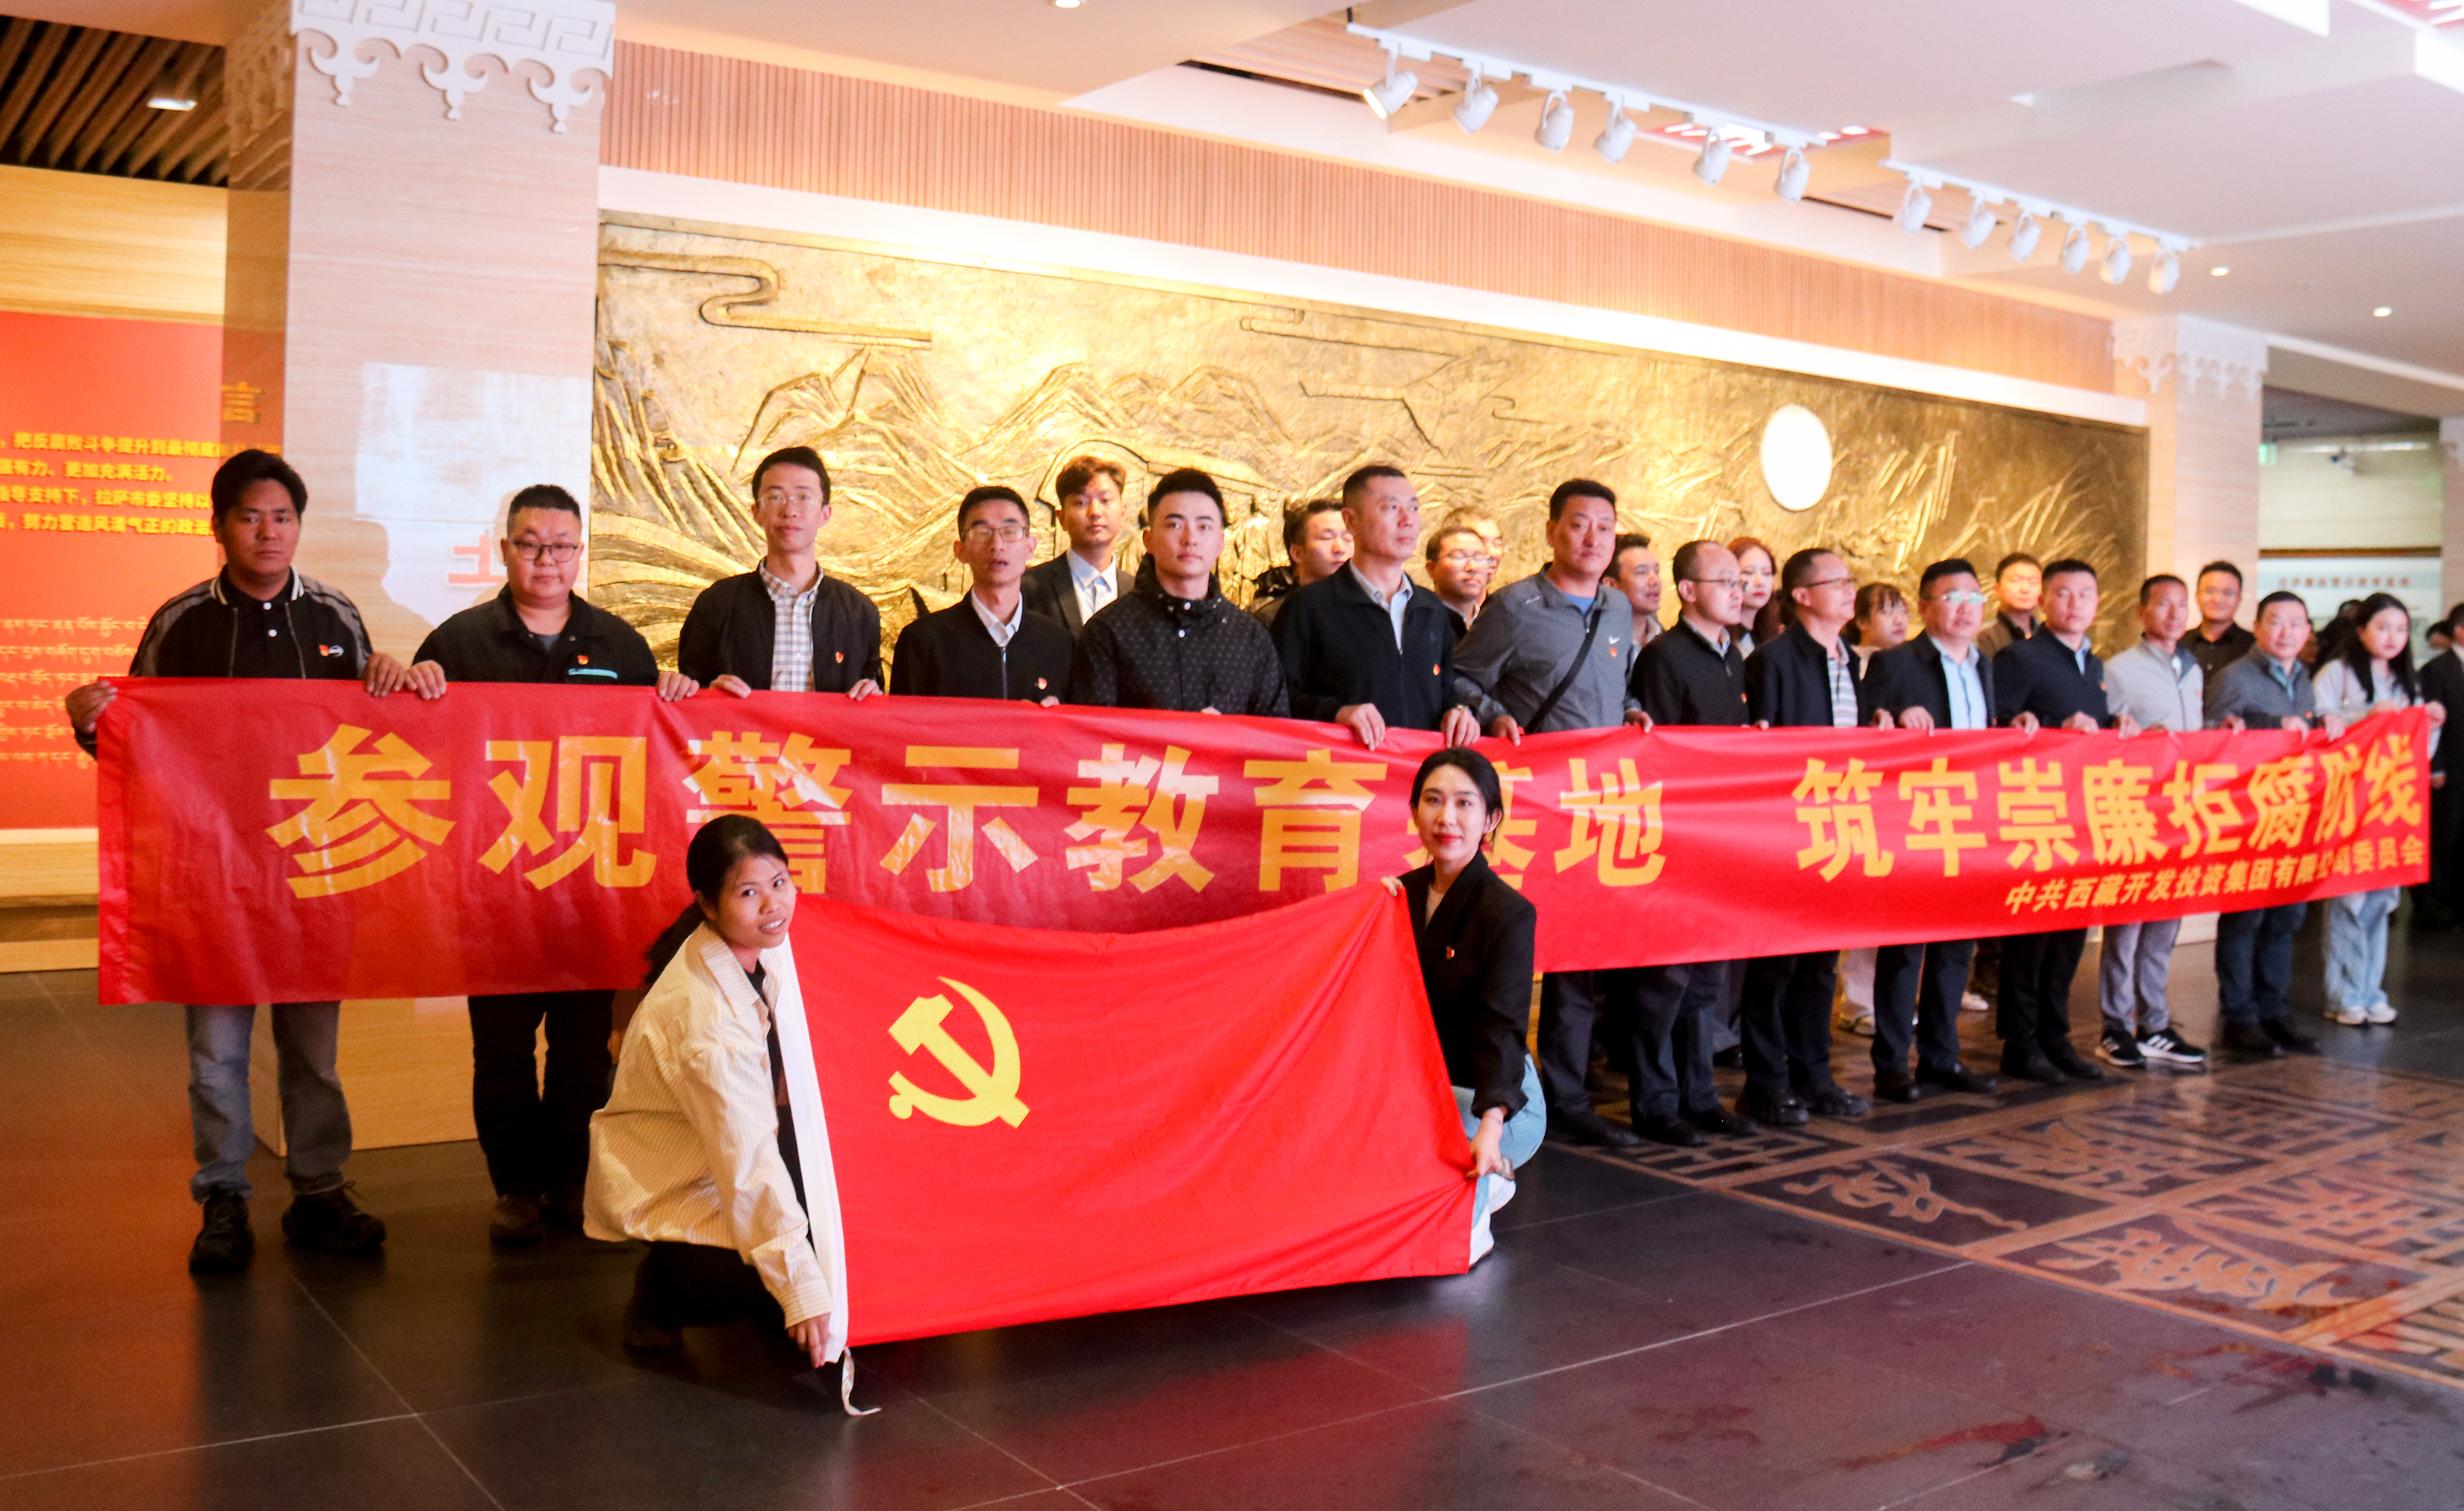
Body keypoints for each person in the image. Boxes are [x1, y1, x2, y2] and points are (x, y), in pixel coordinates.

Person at [63, 449, 406, 1273]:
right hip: (212, 875)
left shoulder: (335, 617)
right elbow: (133, 739)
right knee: (216, 1053)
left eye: (282, 517)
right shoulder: (182, 622)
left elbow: (371, 736)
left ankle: (320, 1188)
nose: (268, 532)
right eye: (251, 517)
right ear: (218, 526)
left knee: (313, 1050)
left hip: (311, 872)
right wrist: (87, 722)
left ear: (299, 526)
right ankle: (223, 1198)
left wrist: (395, 680)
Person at [409, 485, 699, 1244]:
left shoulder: (619, 645)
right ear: (505, 549)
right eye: (532, 545)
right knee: (502, 1052)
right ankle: (515, 1187)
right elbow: (417, 752)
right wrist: (411, 687)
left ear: (580, 553)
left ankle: (571, 1181)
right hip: (494, 886)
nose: (548, 560)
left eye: (562, 546)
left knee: (581, 1051)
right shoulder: (459, 642)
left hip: (587, 885)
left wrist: (675, 693)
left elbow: (652, 755)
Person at [588, 816, 839, 1368]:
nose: (773, 905)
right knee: (802, 1270)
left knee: (841, 1204)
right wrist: (800, 1289)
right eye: (748, 893)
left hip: (719, 1150)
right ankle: (664, 1291)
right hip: (679, 1180)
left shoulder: (756, 944)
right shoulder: (709, 1026)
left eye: (779, 883)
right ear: (707, 905)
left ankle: (770, 1292)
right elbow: (747, 1161)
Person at [1455, 480, 1650, 1148]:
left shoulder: (1618, 607)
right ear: (1551, 532)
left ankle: (1569, 1095)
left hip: (1595, 806)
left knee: (1579, 953)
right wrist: (1493, 715)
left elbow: (1615, 686)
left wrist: (1630, 713)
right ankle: (1492, 1088)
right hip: (1530, 805)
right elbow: (1460, 678)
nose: (1592, 539)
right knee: (1512, 950)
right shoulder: (1515, 606)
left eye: (1605, 527)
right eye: (1578, 524)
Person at [1609, 539, 1759, 1144]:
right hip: (1675, 839)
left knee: (1705, 980)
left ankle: (1701, 1097)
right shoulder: (1665, 657)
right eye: (1726, 581)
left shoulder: (1734, 655)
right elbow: (1657, 756)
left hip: (1724, 840)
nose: (1738, 591)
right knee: (1664, 981)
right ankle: (1656, 1101)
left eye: (1741, 581)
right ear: (1689, 590)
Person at [1387, 748, 1545, 1265]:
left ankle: (1486, 1188)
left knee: (1447, 1246)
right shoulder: (1397, 896)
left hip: (1497, 1098)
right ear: (1414, 811)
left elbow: (1503, 1030)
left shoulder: (1508, 913)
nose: (1446, 818)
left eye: (1464, 803)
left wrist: (1492, 1127)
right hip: (1425, 1087)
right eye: (1433, 801)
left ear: (1490, 819)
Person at [1858, 559, 2003, 1102]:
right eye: (1952, 597)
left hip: (1969, 822)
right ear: (1924, 607)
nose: (1965, 608)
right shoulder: (1896, 663)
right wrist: (1891, 721)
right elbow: (1865, 729)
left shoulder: (1984, 665)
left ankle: (1942, 1057)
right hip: (1914, 823)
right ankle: (1892, 1063)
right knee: (1906, 949)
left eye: (1973, 597)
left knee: (1955, 948)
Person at [1991, 558, 2136, 1085]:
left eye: (2085, 594)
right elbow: (2000, 726)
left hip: (2082, 817)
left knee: (2071, 934)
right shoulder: (2020, 656)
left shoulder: (2093, 665)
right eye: (2064, 593)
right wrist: (2053, 724)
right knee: (2031, 940)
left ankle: (2056, 1038)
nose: (2075, 604)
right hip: (2036, 816)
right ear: (2044, 601)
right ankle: (2020, 1043)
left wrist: (2117, 724)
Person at [1737, 549, 1871, 1124]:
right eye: (1837, 581)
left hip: (1840, 826)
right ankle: (1766, 1083)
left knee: (1820, 965)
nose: (1849, 591)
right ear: (1801, 595)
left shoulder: (1851, 659)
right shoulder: (1773, 660)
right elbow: (1761, 752)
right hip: (1786, 832)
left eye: (1850, 581)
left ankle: (1816, 1076)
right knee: (1775, 966)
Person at [2206, 591, 2341, 1060]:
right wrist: (2269, 723)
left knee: (2286, 919)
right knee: (2244, 920)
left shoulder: (2304, 677)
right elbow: (2209, 736)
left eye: (2296, 623)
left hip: (2292, 819)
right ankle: (2239, 1016)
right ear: (2258, 627)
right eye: (2276, 622)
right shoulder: (2234, 677)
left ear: (2308, 631)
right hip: (2247, 820)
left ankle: (2274, 1011)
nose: (2287, 632)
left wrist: (2325, 721)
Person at [1272, 466, 1478, 749]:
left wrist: (1458, 711)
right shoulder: (1309, 606)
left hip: (1420, 770)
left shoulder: (1430, 608)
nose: (1408, 520)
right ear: (1351, 521)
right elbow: (1276, 698)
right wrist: (1336, 713)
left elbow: (1443, 690)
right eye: (1392, 508)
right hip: (1346, 770)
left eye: (1414, 508)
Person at [2313, 593, 2447, 1026]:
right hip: (2349, 803)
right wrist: (2368, 716)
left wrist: (2430, 724)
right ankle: (2342, 995)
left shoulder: (2407, 679)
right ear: (2361, 630)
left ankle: (2371, 990)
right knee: (2348, 900)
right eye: (2383, 627)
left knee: (2382, 901)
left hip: (2391, 807)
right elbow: (2321, 733)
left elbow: (2419, 753)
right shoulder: (2336, 673)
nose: (2393, 637)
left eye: (2401, 629)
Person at [2095, 575, 2212, 1071]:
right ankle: (2115, 1025)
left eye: (2181, 605)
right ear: (2141, 612)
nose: (2174, 613)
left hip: (2182, 811)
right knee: (2127, 924)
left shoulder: (2193, 668)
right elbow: (2105, 739)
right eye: (2163, 604)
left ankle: (2156, 1024)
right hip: (2136, 810)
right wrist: (2142, 736)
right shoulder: (2119, 669)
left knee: (2165, 922)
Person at [1072, 468, 1288, 716]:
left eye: (1204, 526)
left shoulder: (1250, 638)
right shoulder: (1108, 631)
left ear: (1220, 543)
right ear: (1148, 540)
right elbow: (1090, 730)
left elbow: (1274, 731)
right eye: (1174, 525)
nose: (1190, 539)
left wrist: (1226, 733)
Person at [678, 446, 883, 699]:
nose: (789, 511)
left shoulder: (859, 612)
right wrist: (707, 694)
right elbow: (687, 698)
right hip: (743, 727)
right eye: (776, 497)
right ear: (757, 512)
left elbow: (874, 701)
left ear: (825, 513)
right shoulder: (717, 604)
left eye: (804, 497)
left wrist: (873, 698)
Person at [890, 485, 1073, 702]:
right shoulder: (923, 641)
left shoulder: (1058, 644)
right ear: (960, 551)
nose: (997, 545)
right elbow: (904, 722)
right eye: (982, 533)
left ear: (1030, 547)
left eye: (1010, 532)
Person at [1834, 580, 1910, 1037]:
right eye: (1886, 611)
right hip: (1858, 797)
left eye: (1902, 611)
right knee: (1864, 902)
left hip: (1900, 801)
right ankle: (1858, 1000)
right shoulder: (1847, 662)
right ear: (1860, 620)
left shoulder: (1912, 662)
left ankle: (1895, 996)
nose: (1899, 620)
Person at [1019, 455, 1133, 638]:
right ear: (1062, 518)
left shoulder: (1138, 592)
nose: (1095, 512)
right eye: (1081, 502)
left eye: (1105, 501)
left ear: (1123, 513)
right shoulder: (1029, 587)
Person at [1249, 499, 1352, 628]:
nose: (1340, 549)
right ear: (1297, 553)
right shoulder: (1273, 618)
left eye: (1348, 539)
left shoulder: (1366, 610)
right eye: (1327, 538)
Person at [2423, 608, 2464, 926]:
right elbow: (2430, 723)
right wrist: (2434, 766)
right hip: (2450, 765)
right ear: (2460, 630)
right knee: (2444, 835)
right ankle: (2434, 902)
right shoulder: (2436, 669)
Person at [2186, 561, 2256, 682]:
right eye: (2210, 591)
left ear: (2239, 599)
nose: (2218, 600)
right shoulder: (2179, 644)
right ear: (2197, 595)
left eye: (2228, 593)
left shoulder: (2254, 648)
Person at [1424, 521, 1493, 639]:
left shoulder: (1497, 620)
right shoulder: (1420, 623)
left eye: (1479, 557)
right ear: (1431, 569)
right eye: (1459, 557)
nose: (1472, 567)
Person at [1975, 551, 2043, 659]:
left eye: (2033, 582)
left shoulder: (2049, 634)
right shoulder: (1984, 637)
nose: (2025, 589)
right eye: (2016, 580)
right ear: (1997, 590)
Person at [1607, 532, 1664, 647]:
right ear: (1611, 584)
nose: (1655, 582)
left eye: (1657, 571)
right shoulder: (1595, 642)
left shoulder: (1666, 640)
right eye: (1642, 572)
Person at [1728, 536, 1778, 652]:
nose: (1760, 582)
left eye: (1767, 573)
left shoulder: (1773, 636)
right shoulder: (1720, 638)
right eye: (1748, 572)